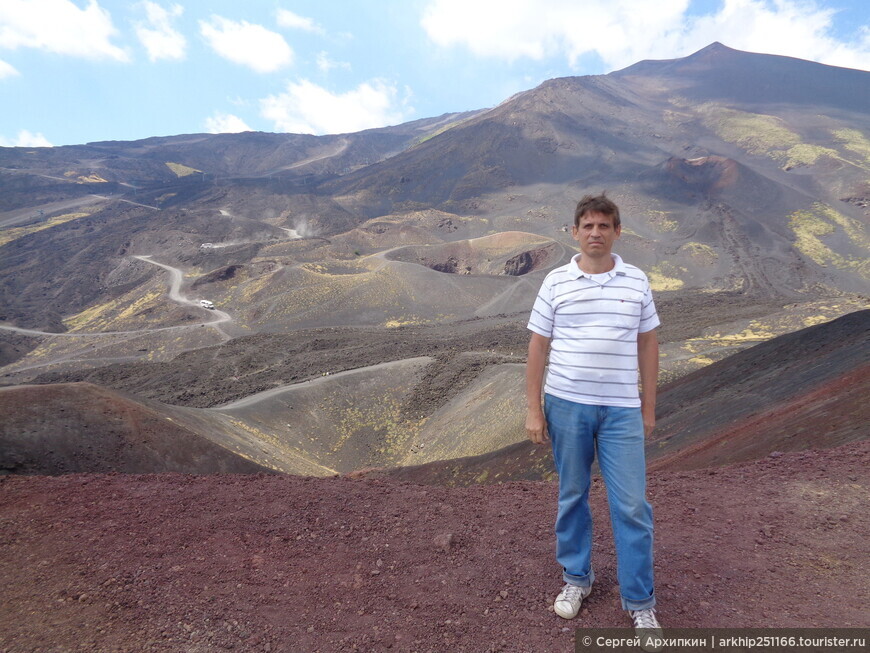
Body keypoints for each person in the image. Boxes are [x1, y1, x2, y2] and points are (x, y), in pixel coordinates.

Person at [525, 193, 663, 646]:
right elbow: (538, 346)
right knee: (572, 494)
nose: (596, 233)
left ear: (617, 232)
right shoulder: (556, 282)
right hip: (566, 404)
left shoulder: (636, 281)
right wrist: (532, 410)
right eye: (588, 225)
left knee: (632, 506)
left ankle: (640, 604)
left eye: (604, 226)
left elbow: (648, 343)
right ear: (575, 232)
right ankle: (576, 579)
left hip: (621, 409)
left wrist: (647, 406)